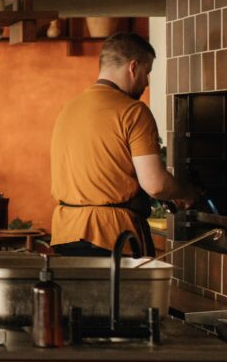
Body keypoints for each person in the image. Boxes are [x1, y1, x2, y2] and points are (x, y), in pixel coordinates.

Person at [50, 32, 199, 257]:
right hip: (113, 238)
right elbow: (155, 185)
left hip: (66, 233)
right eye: (147, 73)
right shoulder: (133, 112)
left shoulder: (68, 109)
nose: (147, 83)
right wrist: (187, 192)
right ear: (133, 67)